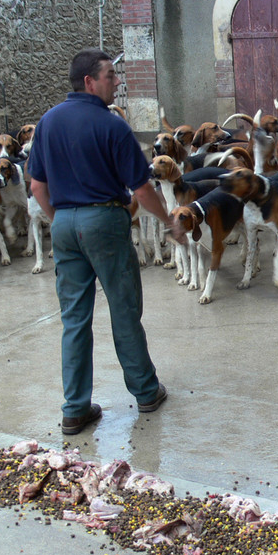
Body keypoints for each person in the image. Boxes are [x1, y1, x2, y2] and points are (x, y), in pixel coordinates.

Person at [28, 48, 186, 435]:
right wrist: (170, 222)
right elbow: (143, 190)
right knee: (123, 307)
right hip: (105, 220)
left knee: (74, 319)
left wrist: (64, 221)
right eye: (111, 75)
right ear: (89, 81)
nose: (117, 81)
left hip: (64, 222)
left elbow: (36, 186)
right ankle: (146, 391)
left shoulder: (47, 123)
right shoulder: (112, 126)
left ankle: (75, 409)